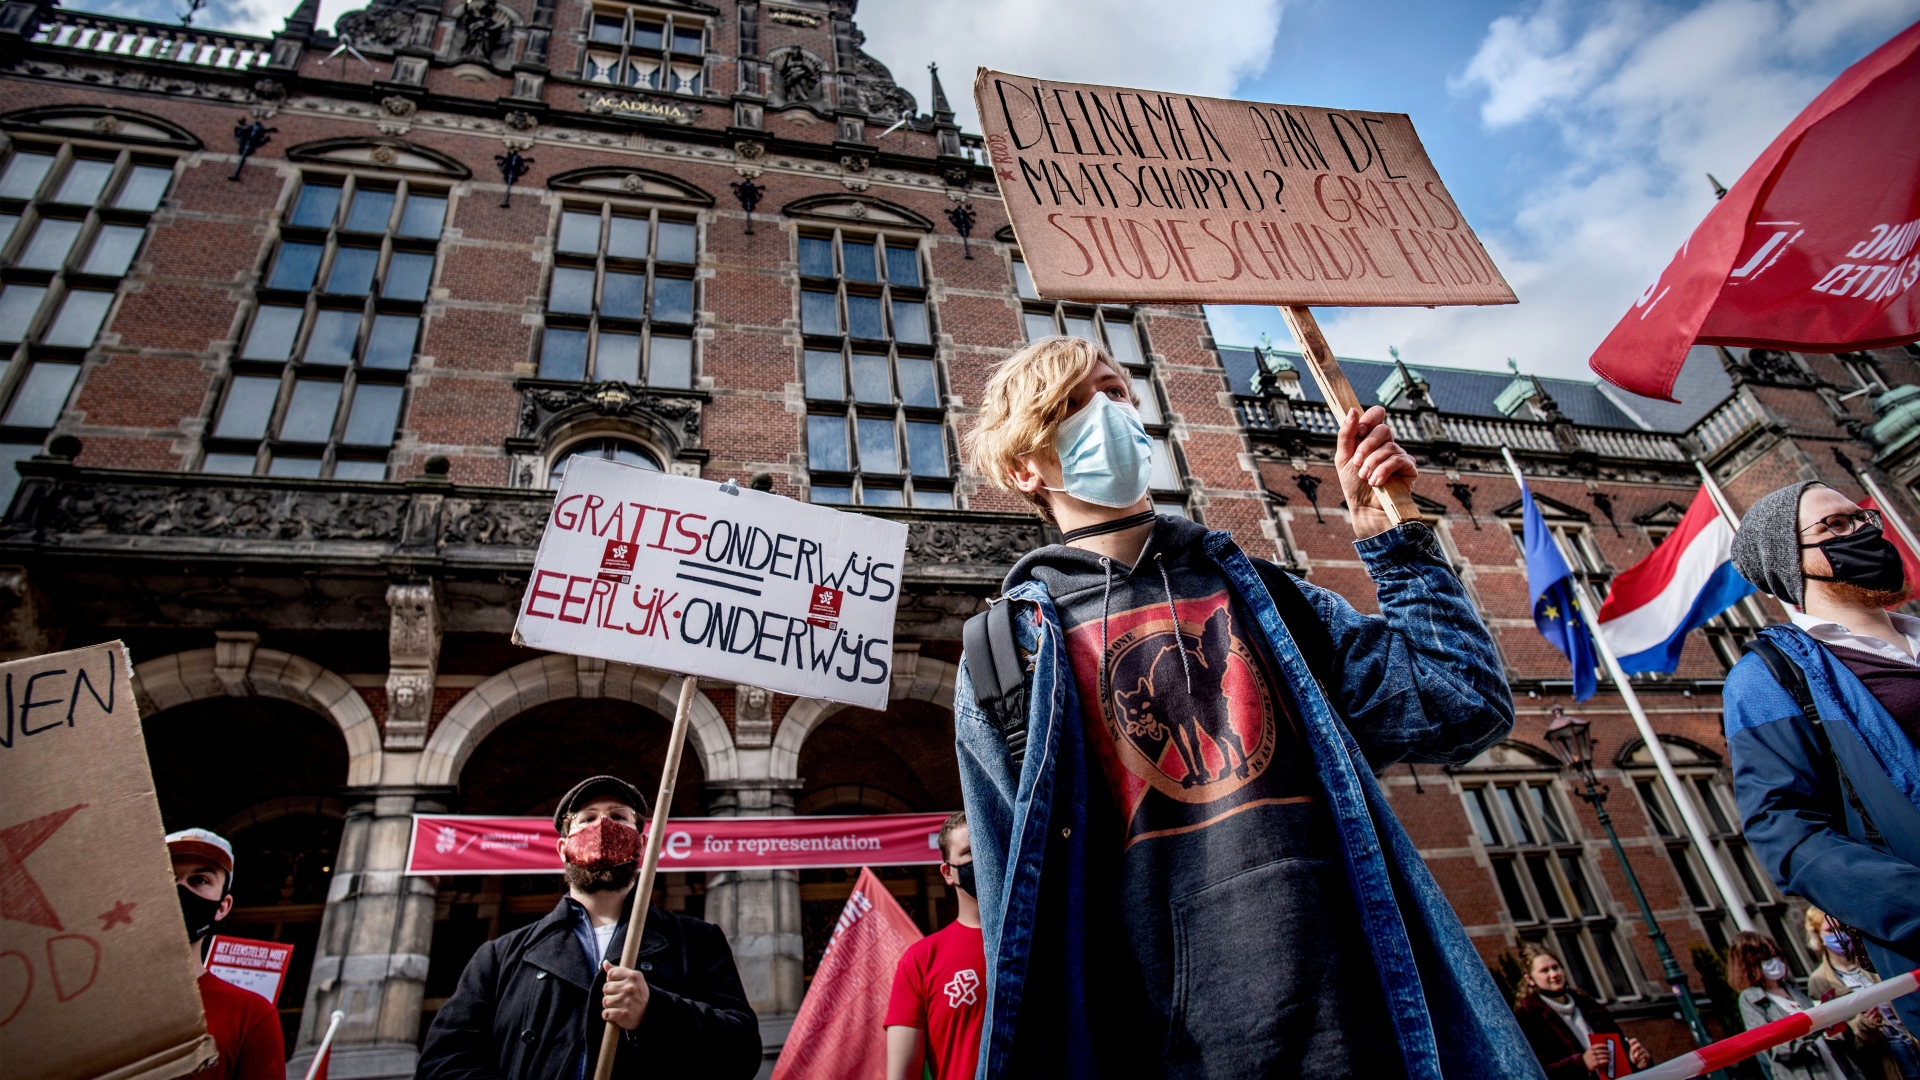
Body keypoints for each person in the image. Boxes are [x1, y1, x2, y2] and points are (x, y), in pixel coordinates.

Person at [952, 337, 1536, 1079]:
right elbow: (1019, 937)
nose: (1108, 414)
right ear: (1021, 468)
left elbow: (1462, 704)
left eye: (1118, 394)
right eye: (1072, 406)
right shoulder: (1005, 659)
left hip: (1370, 1028)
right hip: (1171, 1053)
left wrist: (1395, 540)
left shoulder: (1275, 600)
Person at [1726, 482, 1920, 1033]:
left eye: (1862, 518)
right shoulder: (1769, 677)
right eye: (1834, 527)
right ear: (1789, 560)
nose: (1862, 531)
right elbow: (1785, 831)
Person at [417, 775, 761, 1080]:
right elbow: (442, 1061)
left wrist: (655, 1011)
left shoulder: (697, 942)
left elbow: (743, 1053)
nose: (602, 827)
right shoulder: (500, 956)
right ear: (563, 849)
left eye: (618, 817)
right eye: (587, 819)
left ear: (641, 845)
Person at [168, 827, 286, 1080]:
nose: (180, 890)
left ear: (223, 907)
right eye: (167, 876)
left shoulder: (252, 1015)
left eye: (199, 880)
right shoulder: (100, 995)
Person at [885, 811, 987, 1080]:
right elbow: (902, 1075)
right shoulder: (920, 960)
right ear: (948, 873)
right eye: (968, 852)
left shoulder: (1041, 942)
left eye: (987, 843)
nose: (982, 857)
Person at [1805, 907, 1920, 1080]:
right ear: (1818, 935)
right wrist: (1865, 1023)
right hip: (1882, 1052)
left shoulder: (1871, 958)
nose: (1839, 934)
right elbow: (1836, 1034)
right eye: (1830, 930)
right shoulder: (1819, 980)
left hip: (1911, 1033)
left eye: (1843, 928)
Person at [1730, 931, 1861, 1080]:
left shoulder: (1792, 989)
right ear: (1750, 964)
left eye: (1776, 956)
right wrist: (1814, 1034)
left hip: (1836, 1065)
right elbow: (1773, 1048)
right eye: (1767, 958)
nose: (1775, 962)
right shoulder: (1751, 999)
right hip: (1805, 1073)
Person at [1509, 943, 1651, 1079]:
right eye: (1544, 971)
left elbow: (1618, 1059)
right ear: (1530, 980)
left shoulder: (1591, 1007)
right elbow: (1531, 1073)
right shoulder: (1526, 1019)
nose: (1553, 974)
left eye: (1555, 967)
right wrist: (1581, 1065)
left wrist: (1636, 1061)